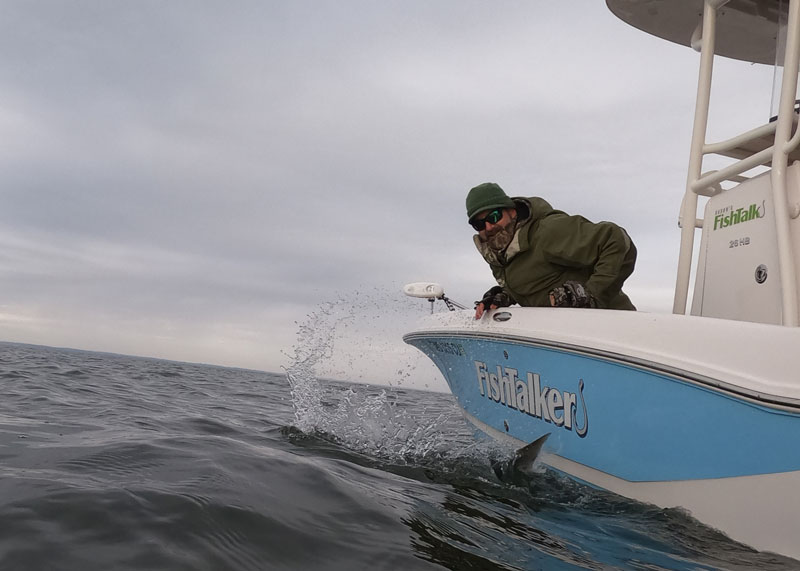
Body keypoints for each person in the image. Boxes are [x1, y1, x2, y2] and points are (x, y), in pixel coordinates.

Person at [467, 182, 637, 319]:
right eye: (479, 224)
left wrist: (591, 294)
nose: (489, 227)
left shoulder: (547, 232)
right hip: (564, 337)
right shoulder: (499, 255)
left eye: (494, 216)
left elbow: (616, 239)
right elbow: (536, 278)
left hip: (612, 331)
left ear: (511, 211)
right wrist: (504, 296)